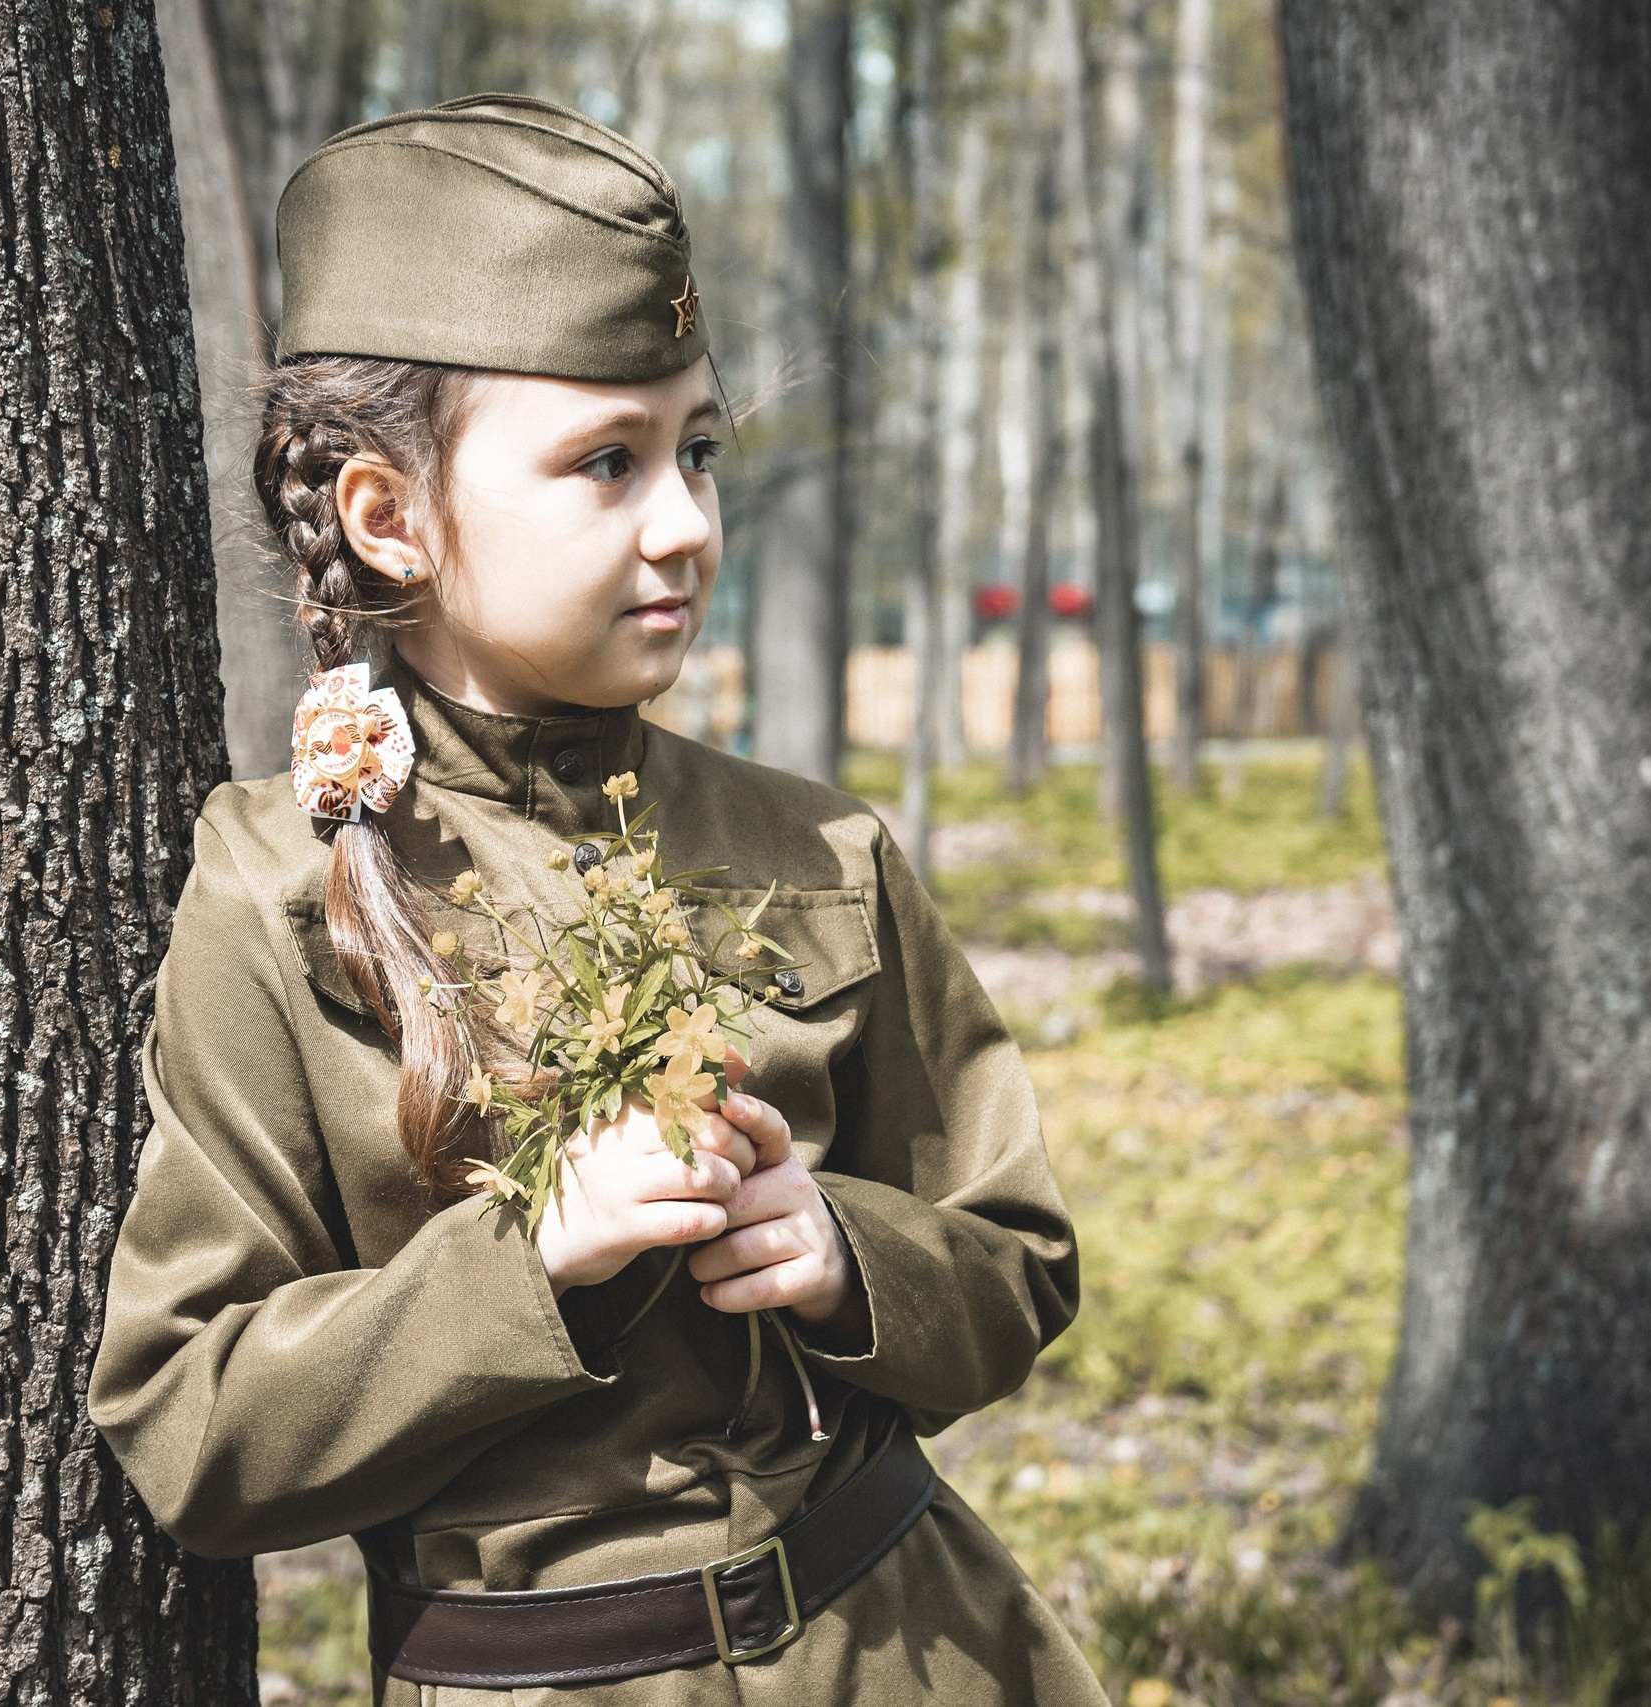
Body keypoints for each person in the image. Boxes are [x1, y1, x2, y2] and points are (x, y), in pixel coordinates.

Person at [86, 93, 1105, 1704]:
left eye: (696, 449)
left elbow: (1019, 1264)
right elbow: (191, 1427)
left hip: (916, 1647)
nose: (686, 523)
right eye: (605, 462)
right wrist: (523, 1260)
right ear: (388, 514)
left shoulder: (819, 850)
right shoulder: (283, 885)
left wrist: (846, 1258)